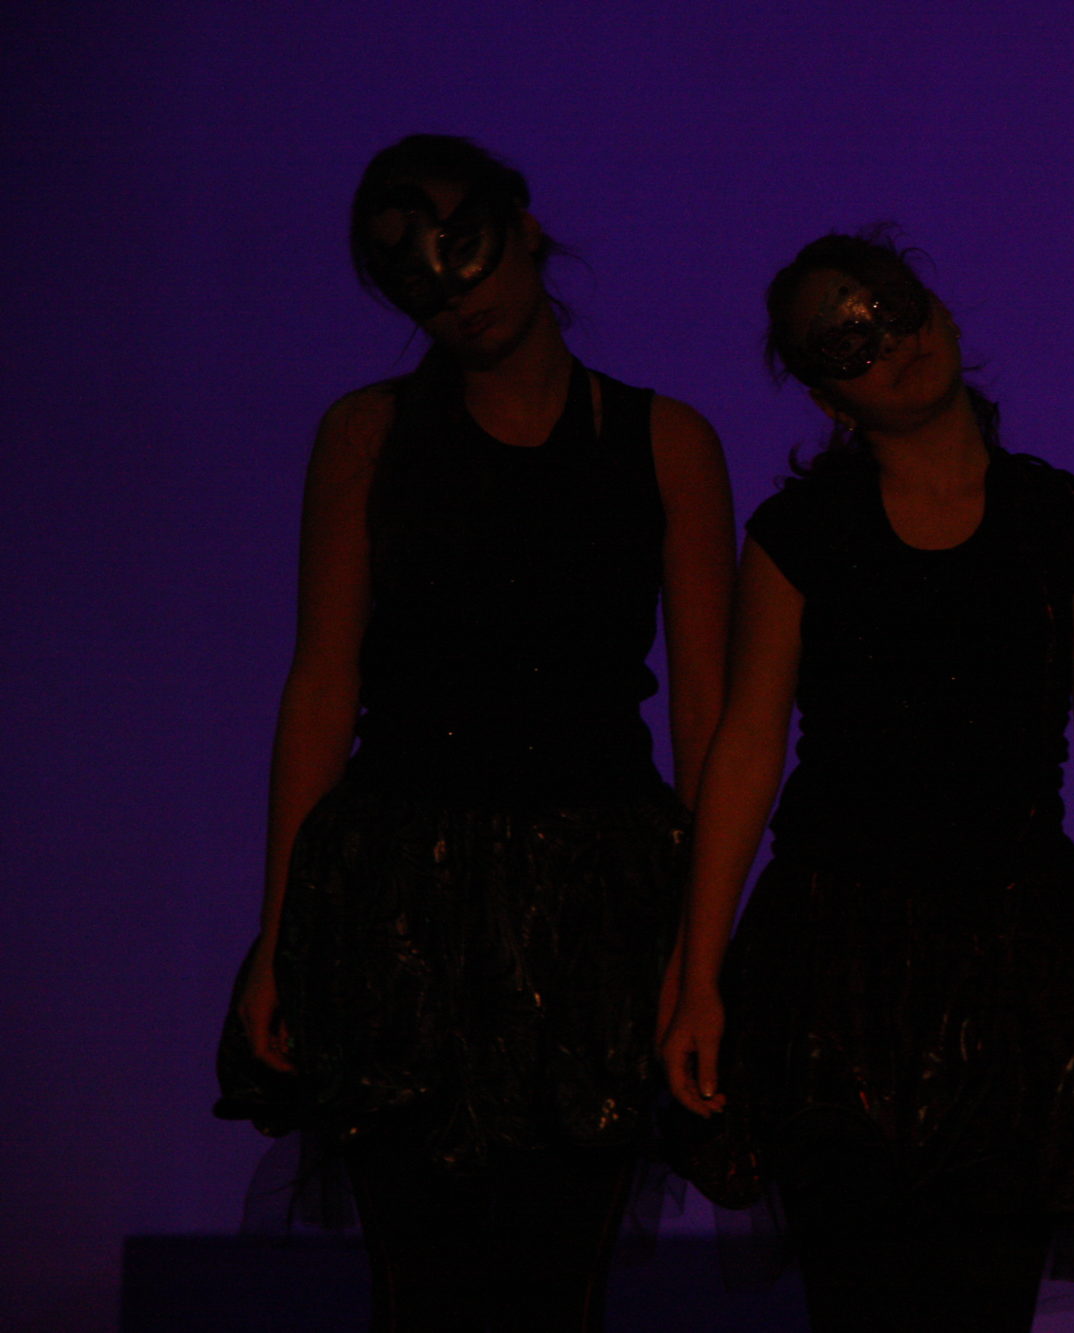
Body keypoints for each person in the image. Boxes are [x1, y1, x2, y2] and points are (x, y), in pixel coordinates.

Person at [216, 134, 735, 1332]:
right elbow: (322, 683)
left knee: (561, 1273)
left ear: (525, 226)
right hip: (400, 892)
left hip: (599, 898)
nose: (449, 287)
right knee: (421, 1278)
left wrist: (701, 949)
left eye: (464, 245)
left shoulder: (663, 441)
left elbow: (709, 714)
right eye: (410, 273)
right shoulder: (370, 433)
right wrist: (279, 935)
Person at [662, 231, 1074, 1332]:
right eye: (844, 342)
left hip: (1017, 959)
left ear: (937, 311)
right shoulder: (802, 534)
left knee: (985, 1294)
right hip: (829, 959)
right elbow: (747, 744)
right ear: (822, 392)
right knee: (857, 1296)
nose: (885, 343)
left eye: (890, 310)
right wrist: (698, 972)